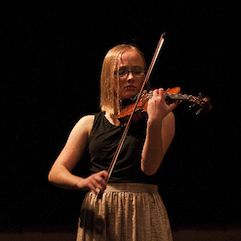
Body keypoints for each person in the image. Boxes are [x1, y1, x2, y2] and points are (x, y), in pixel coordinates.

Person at [48, 44, 178, 241]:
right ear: (108, 77)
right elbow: (56, 172)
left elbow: (150, 168)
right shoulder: (88, 123)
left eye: (137, 71)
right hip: (100, 212)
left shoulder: (163, 117)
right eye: (122, 72)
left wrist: (153, 121)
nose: (131, 77)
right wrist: (82, 182)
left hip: (143, 209)